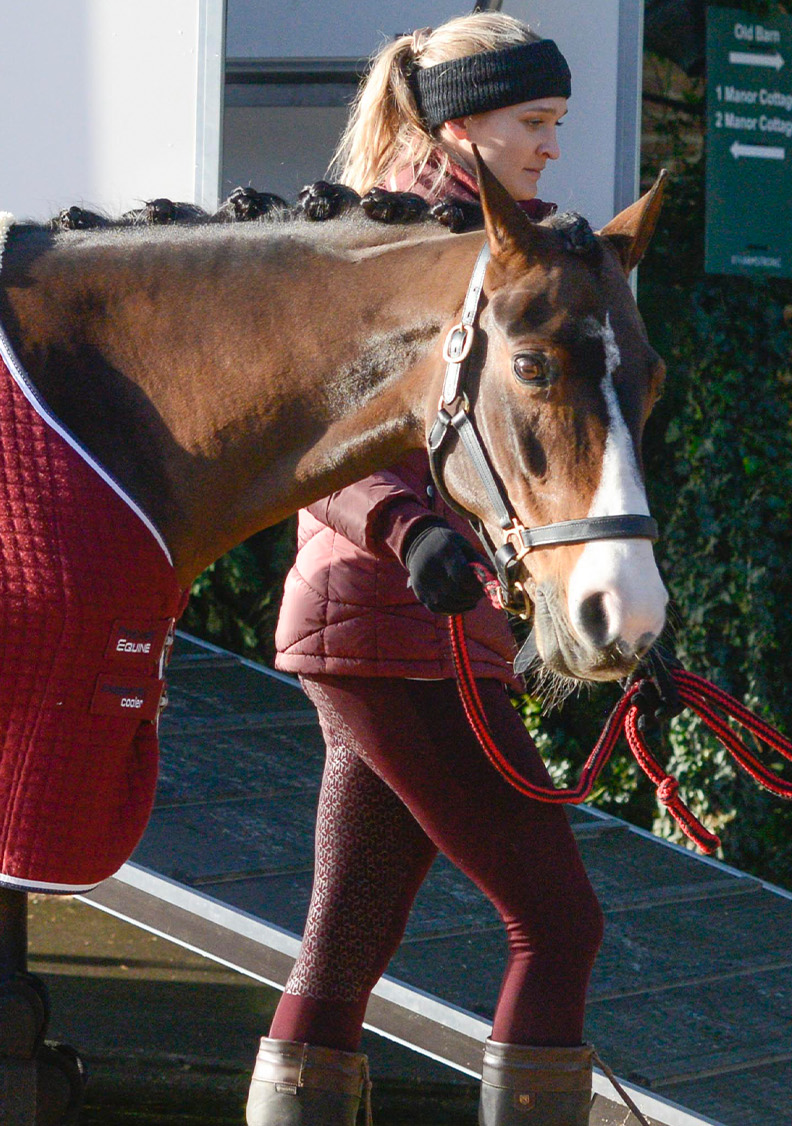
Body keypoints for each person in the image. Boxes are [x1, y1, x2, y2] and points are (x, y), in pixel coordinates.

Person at [248, 15, 607, 1126]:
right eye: (532, 121)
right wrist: (408, 531)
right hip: (383, 624)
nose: (551, 144)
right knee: (556, 924)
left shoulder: (513, 249)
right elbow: (306, 440)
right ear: (458, 125)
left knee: (345, 939)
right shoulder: (378, 245)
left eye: (556, 121)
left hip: (425, 631)